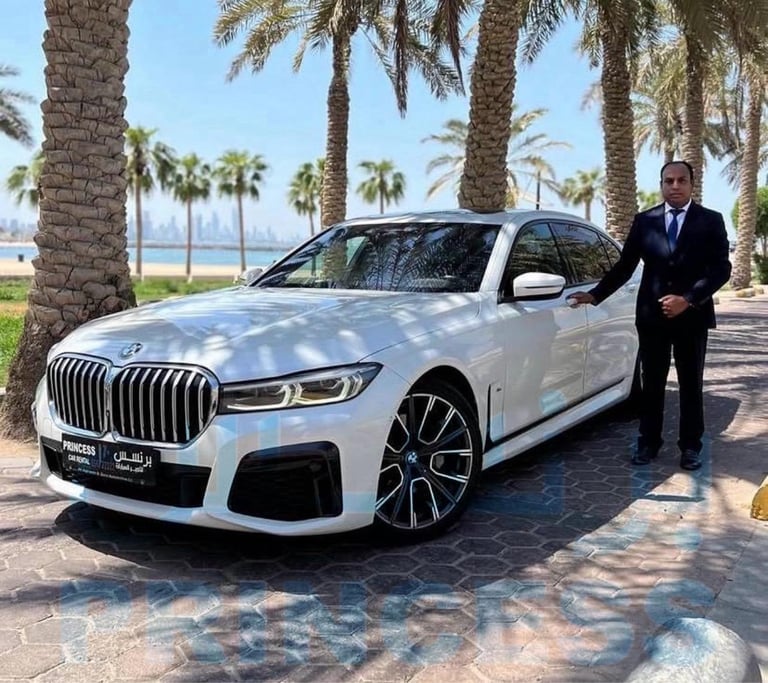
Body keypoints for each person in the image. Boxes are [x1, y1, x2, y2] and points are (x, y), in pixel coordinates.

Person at [569, 161, 732, 470]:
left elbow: (721, 269)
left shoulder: (711, 220)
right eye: (669, 181)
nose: (675, 186)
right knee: (652, 383)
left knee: (690, 384)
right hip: (652, 318)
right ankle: (648, 442)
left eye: (681, 180)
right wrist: (596, 294)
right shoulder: (645, 221)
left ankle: (691, 447)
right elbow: (625, 266)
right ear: (661, 185)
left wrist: (688, 299)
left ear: (691, 184)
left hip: (692, 318)